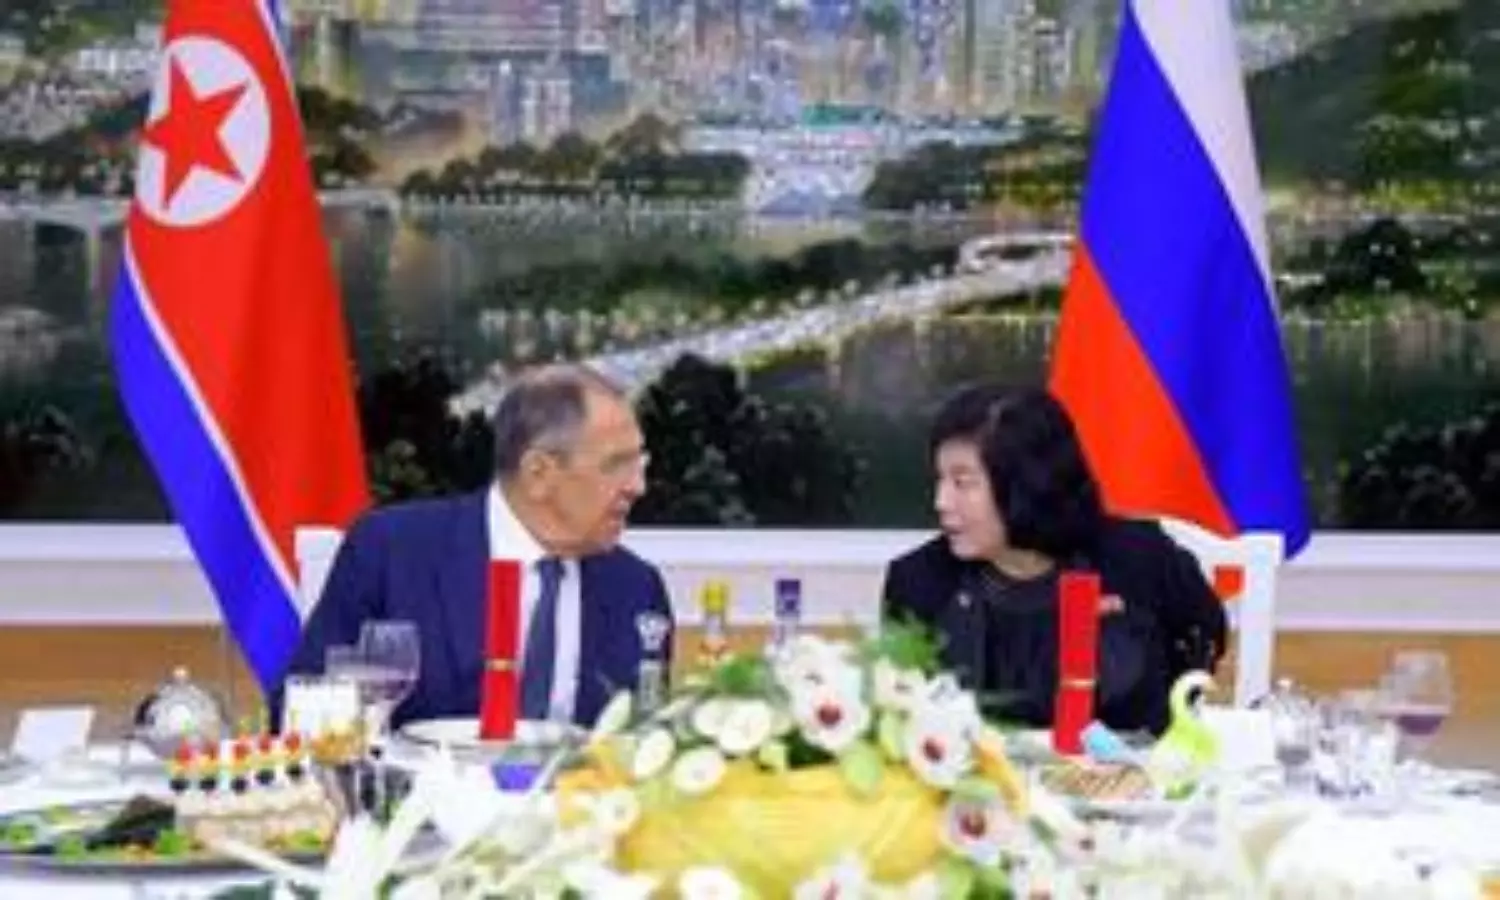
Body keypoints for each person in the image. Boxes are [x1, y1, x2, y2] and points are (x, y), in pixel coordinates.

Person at [282, 363, 673, 729]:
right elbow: (304, 713)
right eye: (616, 465)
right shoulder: (392, 552)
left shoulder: (637, 589)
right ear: (538, 473)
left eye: (640, 463)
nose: (637, 486)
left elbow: (647, 743)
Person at [882, 383, 1226, 735]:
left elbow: (1201, 641)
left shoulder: (1140, 558)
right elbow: (904, 714)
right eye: (940, 480)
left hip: (1130, 767)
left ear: (1026, 482)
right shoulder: (917, 581)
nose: (941, 502)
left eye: (962, 483)